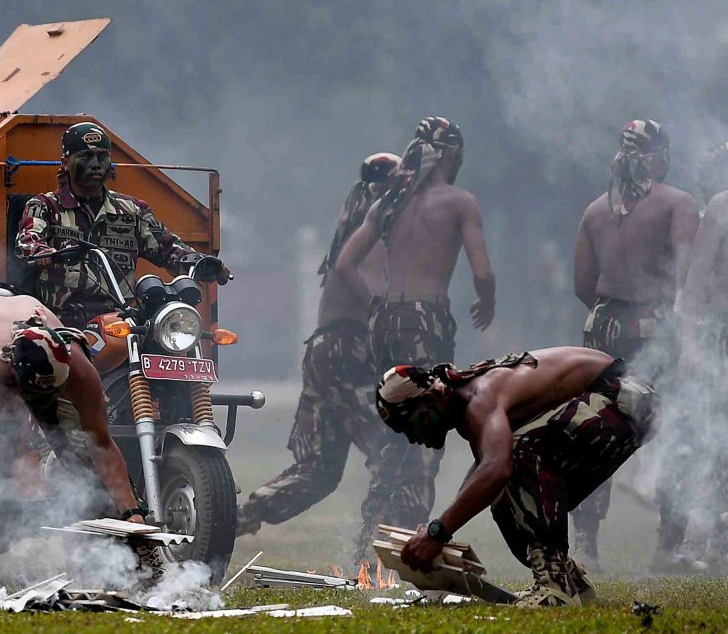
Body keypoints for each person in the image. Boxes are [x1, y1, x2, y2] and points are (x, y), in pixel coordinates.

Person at [237, 152, 414, 564]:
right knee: (389, 450)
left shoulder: (357, 229)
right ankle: (373, 555)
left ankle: (233, 521)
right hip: (345, 352)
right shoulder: (368, 237)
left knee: (318, 471)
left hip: (325, 354)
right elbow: (370, 297)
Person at [378, 347, 657, 606]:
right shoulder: (464, 399)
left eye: (410, 424)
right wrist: (438, 530)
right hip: (618, 398)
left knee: (519, 454)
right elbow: (485, 472)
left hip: (629, 394)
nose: (413, 437)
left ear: (431, 398)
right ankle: (570, 579)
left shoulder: (478, 398)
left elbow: (496, 469)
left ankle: (556, 585)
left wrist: (439, 531)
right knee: (502, 496)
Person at [335, 116, 495, 529]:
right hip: (427, 320)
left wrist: (376, 305)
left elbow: (345, 263)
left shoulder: (388, 203)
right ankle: (408, 537)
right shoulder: (459, 201)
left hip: (386, 321)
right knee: (427, 432)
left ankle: (367, 537)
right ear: (453, 154)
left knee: (393, 429)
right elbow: (482, 272)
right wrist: (487, 301)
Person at [0, 291, 154, 596]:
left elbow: (102, 446)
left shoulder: (77, 366)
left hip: (41, 360)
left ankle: (110, 559)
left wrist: (131, 514)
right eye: (37, 397)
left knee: (82, 451)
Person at [571, 119, 698, 568]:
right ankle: (669, 546)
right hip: (654, 325)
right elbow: (687, 274)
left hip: (601, 326)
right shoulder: (677, 203)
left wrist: (612, 317)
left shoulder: (594, 211)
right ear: (658, 155)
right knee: (675, 425)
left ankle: (585, 546)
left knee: (595, 429)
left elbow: (583, 283)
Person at [15, 122, 228, 327]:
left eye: (102, 156)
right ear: (65, 163)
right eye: (86, 156)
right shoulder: (44, 206)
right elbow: (27, 241)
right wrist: (43, 252)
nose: (96, 164)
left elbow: (168, 248)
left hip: (120, 321)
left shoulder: (133, 210)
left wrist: (203, 264)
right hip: (59, 321)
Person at [670, 142, 728, 570]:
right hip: (719, 335)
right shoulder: (721, 208)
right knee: (711, 436)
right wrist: (691, 345)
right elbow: (693, 288)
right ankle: (698, 541)